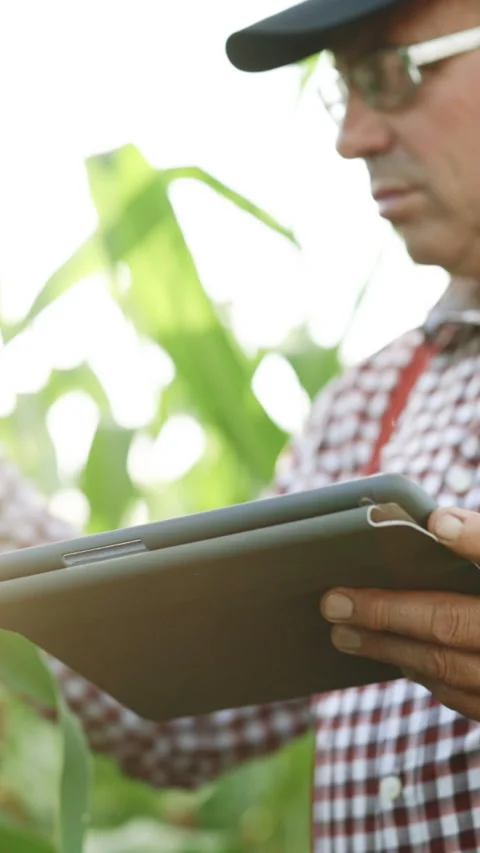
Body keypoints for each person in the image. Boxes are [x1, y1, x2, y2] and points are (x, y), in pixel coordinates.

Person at [5, 0, 480, 848]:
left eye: (392, 73)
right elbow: (180, 714)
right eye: (343, 93)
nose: (354, 138)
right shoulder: (368, 407)